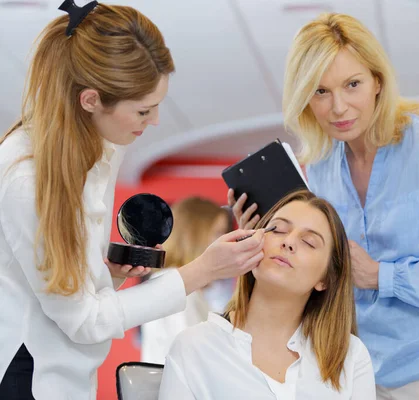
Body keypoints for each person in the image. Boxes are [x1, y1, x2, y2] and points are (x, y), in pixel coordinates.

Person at [228, 12, 419, 400]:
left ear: (378, 81)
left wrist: (381, 275)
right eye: (320, 91)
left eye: (352, 85)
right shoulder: (322, 168)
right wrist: (263, 238)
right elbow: (324, 274)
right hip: (360, 370)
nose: (338, 107)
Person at [0, 3, 265, 399]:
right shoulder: (26, 179)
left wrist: (109, 275)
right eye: (143, 109)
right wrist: (200, 272)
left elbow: (68, 292)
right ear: (90, 100)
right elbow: (82, 321)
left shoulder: (100, 148)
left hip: (70, 371)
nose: (155, 120)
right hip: (31, 376)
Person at [160, 189, 375, 399]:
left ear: (325, 279)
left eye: (309, 242)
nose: (288, 242)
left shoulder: (350, 357)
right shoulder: (193, 347)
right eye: (278, 229)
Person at [141, 197, 236, 364]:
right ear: (194, 235)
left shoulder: (183, 286)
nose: (225, 241)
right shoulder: (175, 285)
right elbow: (197, 356)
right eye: (218, 232)